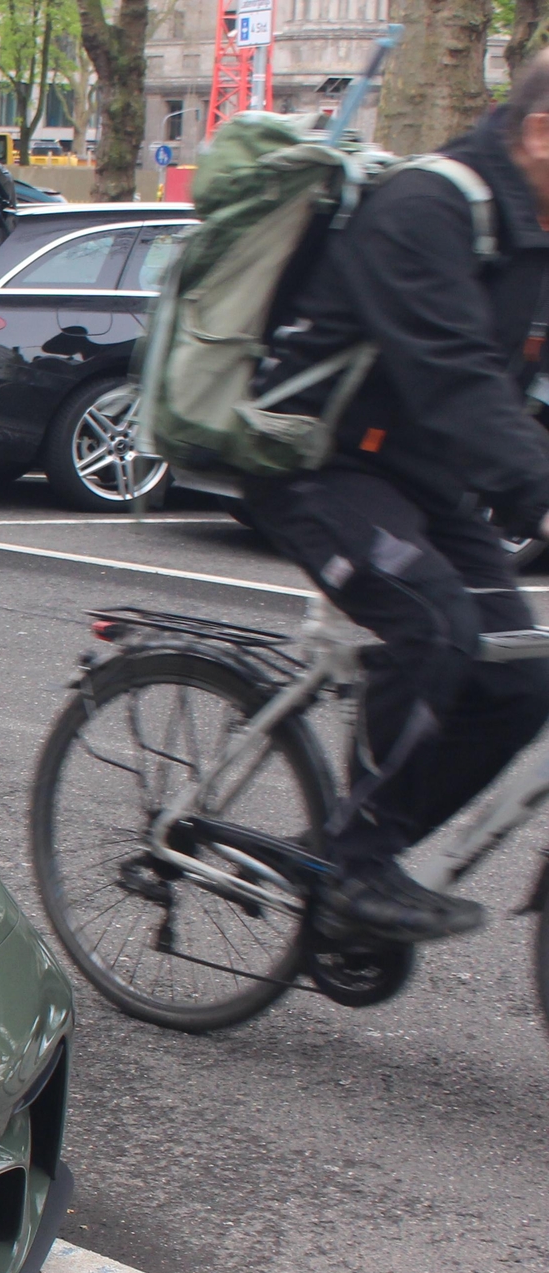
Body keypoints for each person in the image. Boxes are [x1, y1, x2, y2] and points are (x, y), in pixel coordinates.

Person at [241, 54, 549, 943]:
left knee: (523, 681)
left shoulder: (535, 230)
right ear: (540, 133)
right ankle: (352, 863)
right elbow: (453, 379)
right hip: (314, 458)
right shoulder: (428, 207)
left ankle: (348, 849)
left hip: (420, 476)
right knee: (435, 624)